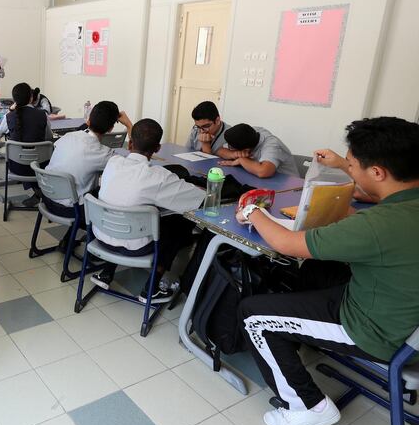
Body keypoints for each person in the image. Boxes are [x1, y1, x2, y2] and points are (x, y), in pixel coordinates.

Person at [235, 116, 419, 425]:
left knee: (253, 315)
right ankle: (299, 335)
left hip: (375, 329)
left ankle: (308, 407)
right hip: (402, 314)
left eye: (351, 164)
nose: (348, 170)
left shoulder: (378, 226)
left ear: (377, 172)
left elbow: (286, 244)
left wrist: (253, 212)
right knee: (321, 269)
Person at [90, 119, 204, 300]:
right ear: (158, 148)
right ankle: (152, 287)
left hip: (101, 237)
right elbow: (198, 200)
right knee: (180, 222)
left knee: (121, 208)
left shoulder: (113, 163)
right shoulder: (158, 177)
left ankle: (106, 271)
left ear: (130, 143)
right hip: (135, 247)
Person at [45, 101, 133, 218]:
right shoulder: (102, 153)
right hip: (71, 209)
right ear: (111, 128)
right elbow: (134, 163)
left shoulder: (67, 137)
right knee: (117, 196)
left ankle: (70, 236)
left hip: (48, 198)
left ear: (88, 120)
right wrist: (129, 125)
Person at [0, 82, 53, 206]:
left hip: (16, 166)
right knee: (43, 154)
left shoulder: (10, 116)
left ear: (14, 100)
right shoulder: (42, 115)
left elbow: (2, 129)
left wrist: (10, 110)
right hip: (40, 166)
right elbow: (49, 137)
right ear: (31, 97)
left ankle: (38, 192)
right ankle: (42, 192)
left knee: (24, 158)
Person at [219, 123, 299, 177]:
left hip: (289, 187)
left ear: (246, 149)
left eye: (231, 147)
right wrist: (234, 154)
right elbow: (220, 150)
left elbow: (263, 172)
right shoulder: (252, 132)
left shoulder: (272, 146)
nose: (228, 147)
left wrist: (241, 160)